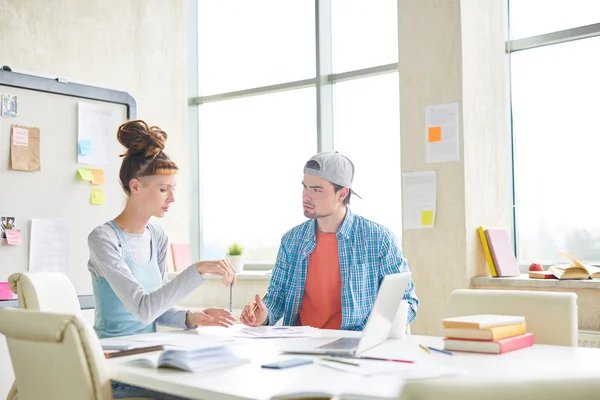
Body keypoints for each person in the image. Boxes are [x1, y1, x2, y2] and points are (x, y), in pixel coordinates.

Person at [88, 120, 235, 399]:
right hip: (115, 370)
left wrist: (192, 317)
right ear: (136, 186)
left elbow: (157, 307)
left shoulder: (157, 236)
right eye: (164, 188)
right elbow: (143, 309)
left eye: (174, 188)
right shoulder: (104, 239)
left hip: (150, 360)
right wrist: (198, 270)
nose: (172, 198)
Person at [240, 151, 418, 331]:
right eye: (305, 187)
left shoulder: (379, 239)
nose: (306, 196)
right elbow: (276, 298)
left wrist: (381, 331)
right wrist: (263, 316)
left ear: (342, 194)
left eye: (316, 189)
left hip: (356, 349)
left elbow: (407, 300)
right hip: (299, 348)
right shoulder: (291, 241)